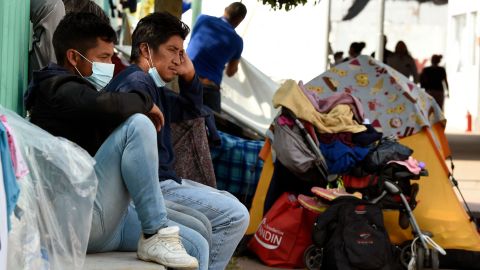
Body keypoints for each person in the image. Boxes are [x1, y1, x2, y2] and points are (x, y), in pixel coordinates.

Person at [24, 12, 208, 269]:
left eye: (111, 57)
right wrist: (146, 103)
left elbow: (188, 110)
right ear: (74, 57)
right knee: (138, 123)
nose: (110, 65)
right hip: (76, 220)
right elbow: (104, 104)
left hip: (106, 217)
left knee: (197, 243)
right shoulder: (55, 88)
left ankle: (157, 233)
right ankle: (155, 232)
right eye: (103, 57)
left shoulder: (85, 89)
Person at [105, 12, 250, 270]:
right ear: (145, 50)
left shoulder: (152, 87)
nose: (178, 59)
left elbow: (192, 112)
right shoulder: (136, 83)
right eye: (172, 50)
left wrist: (190, 76)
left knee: (229, 204)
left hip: (168, 181)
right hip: (154, 186)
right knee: (235, 215)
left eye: (182, 52)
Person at [186, 2, 247, 113]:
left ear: (225, 10)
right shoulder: (237, 41)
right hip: (208, 87)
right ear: (239, 21)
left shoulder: (202, 19)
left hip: (185, 78)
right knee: (211, 126)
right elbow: (230, 72)